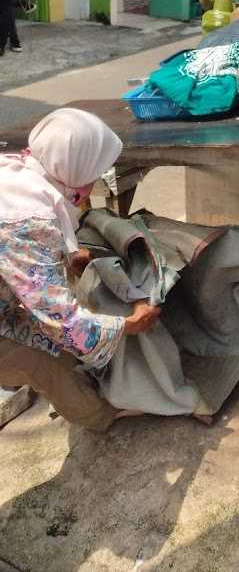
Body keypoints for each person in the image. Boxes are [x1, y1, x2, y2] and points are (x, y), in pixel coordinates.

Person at [0, 108, 161, 431]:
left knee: (57, 344)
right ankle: (99, 416)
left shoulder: (15, 176)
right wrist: (129, 324)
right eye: (92, 176)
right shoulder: (28, 219)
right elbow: (64, 323)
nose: (92, 186)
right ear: (70, 168)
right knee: (48, 360)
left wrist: (66, 256)